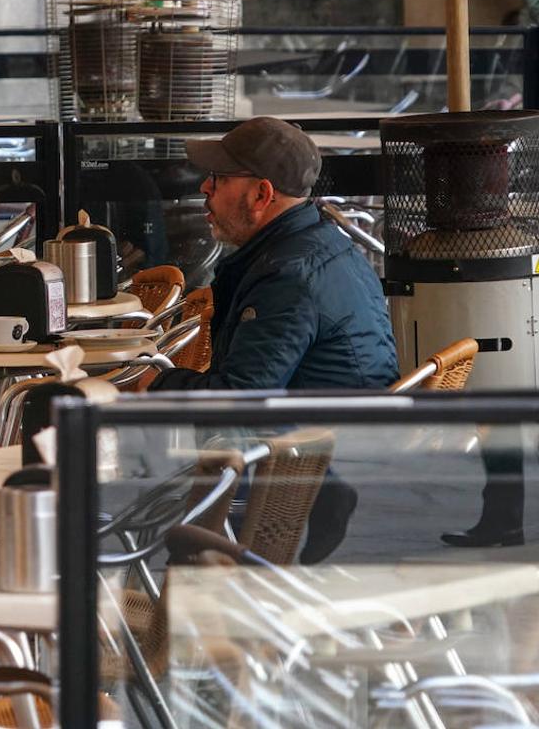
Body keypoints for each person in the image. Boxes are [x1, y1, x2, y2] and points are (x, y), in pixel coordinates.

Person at [148, 117, 400, 563]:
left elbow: (241, 398)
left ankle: (184, 586)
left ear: (262, 194)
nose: (205, 188)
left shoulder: (287, 274)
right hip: (323, 437)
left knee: (133, 475)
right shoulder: (319, 241)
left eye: (220, 179)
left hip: (298, 451)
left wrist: (152, 384)